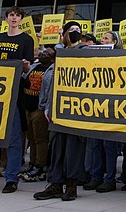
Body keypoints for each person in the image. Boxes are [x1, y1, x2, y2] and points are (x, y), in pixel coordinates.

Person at [34, 21, 88, 201]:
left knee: (73, 147)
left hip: (77, 108)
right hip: (58, 107)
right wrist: (48, 106)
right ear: (64, 34)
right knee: (57, 147)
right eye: (71, 30)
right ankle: (56, 184)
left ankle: (71, 185)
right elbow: (53, 84)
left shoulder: (85, 52)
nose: (75, 32)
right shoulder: (58, 55)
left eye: (78, 30)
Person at [0, 6, 34, 194]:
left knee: (14, 137)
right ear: (6, 18)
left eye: (17, 15)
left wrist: (25, 66)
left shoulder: (26, 39)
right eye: (11, 15)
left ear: (21, 19)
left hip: (15, 94)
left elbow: (28, 70)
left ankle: (12, 178)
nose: (14, 18)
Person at [83, 30, 122, 193]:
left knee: (109, 146)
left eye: (106, 38)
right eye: (102, 38)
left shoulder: (121, 59)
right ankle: (96, 177)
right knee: (95, 144)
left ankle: (109, 179)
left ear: (114, 42)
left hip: (112, 108)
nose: (102, 40)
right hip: (96, 107)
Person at [20, 47, 55, 183]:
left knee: (40, 139)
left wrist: (46, 107)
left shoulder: (52, 70)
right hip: (27, 106)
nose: (43, 54)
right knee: (31, 138)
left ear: (52, 58)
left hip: (39, 108)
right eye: (42, 52)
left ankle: (40, 166)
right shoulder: (34, 66)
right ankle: (32, 163)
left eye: (47, 53)